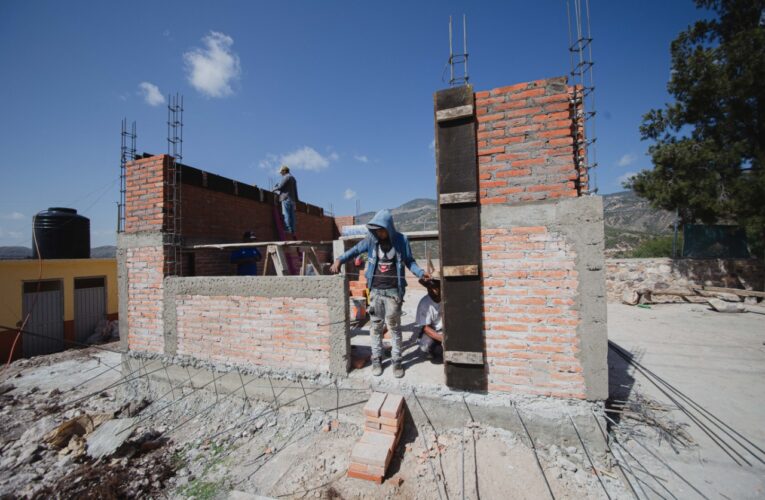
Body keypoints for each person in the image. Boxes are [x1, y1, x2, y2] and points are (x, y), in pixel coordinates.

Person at [329, 209, 430, 378]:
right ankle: (377, 359)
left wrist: (420, 273)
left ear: (389, 227)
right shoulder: (371, 240)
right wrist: (339, 259)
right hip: (375, 292)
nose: (378, 232)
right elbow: (354, 251)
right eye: (375, 230)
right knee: (375, 328)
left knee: (394, 328)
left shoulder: (401, 240)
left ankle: (397, 361)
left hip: (393, 293)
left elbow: (409, 261)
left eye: (381, 229)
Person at [415, 276, 443, 360]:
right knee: (425, 346)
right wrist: (442, 339)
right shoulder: (424, 303)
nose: (431, 290)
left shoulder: (447, 298)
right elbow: (426, 328)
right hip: (434, 331)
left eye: (434, 287)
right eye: (429, 288)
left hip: (447, 330)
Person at [274, 165, 298, 236]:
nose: (281, 174)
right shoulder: (293, 178)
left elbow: (280, 187)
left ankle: (288, 229)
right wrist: (296, 200)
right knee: (292, 215)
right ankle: (293, 230)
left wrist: (274, 188)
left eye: (281, 172)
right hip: (292, 199)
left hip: (286, 198)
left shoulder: (286, 177)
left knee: (286, 214)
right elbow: (295, 190)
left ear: (284, 171)